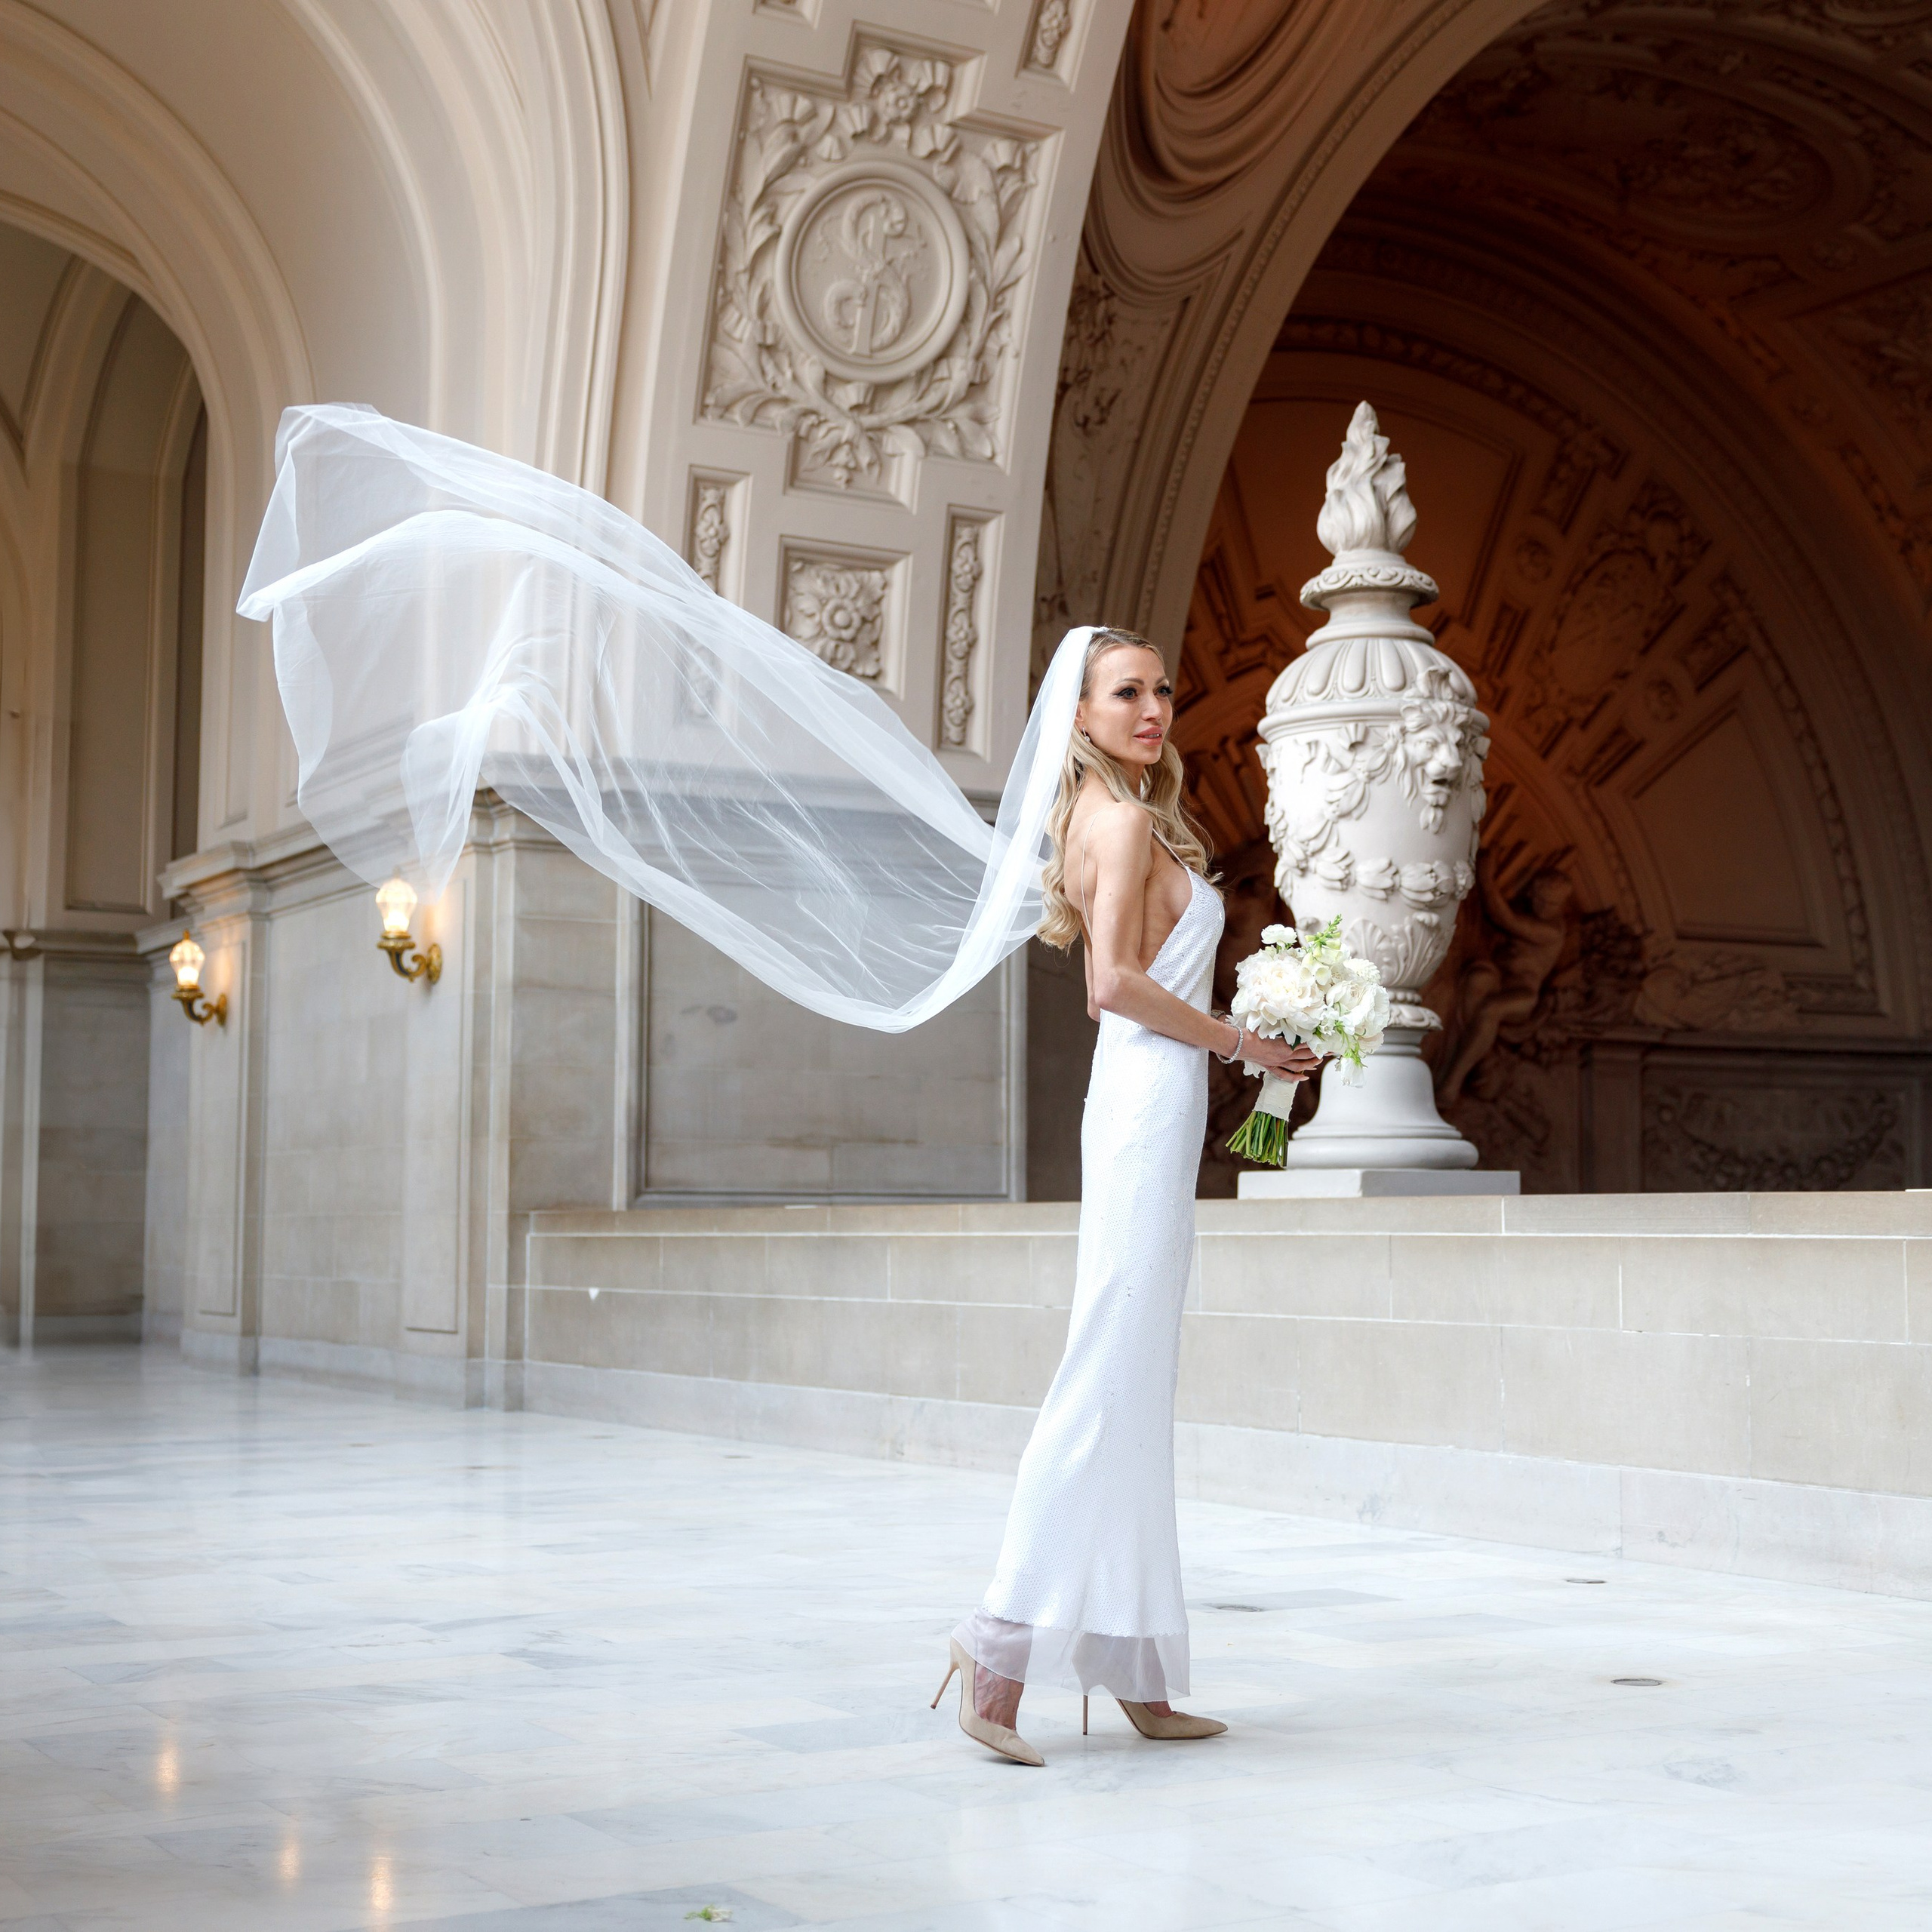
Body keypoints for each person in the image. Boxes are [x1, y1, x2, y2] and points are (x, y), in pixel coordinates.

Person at [931, 630, 1320, 1766]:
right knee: (1106, 1375)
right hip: (1148, 1096)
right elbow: (1111, 987)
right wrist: (1241, 1036)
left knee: (1136, 1384)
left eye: (1161, 690)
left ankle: (1137, 1669)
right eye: (1127, 693)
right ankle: (995, 1655)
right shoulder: (1123, 820)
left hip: (1150, 1102)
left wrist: (1239, 1037)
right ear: (1084, 716)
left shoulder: (1126, 818)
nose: (1153, 708)